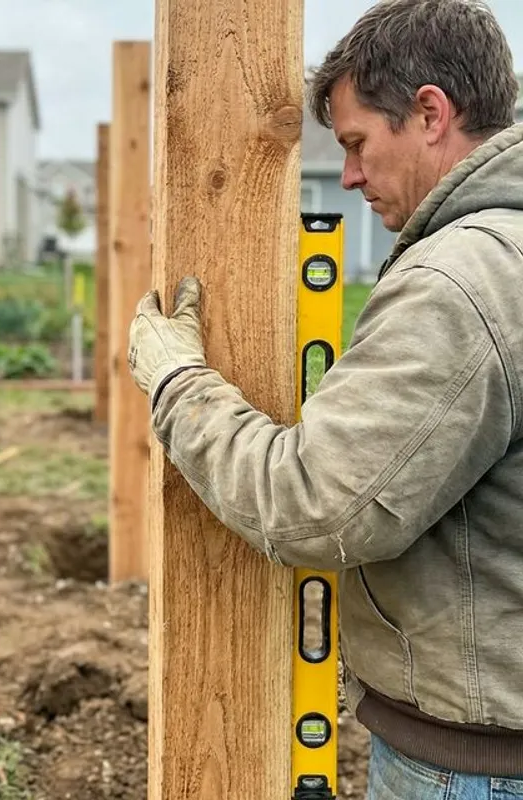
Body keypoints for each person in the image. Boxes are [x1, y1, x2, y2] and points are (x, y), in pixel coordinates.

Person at [126, 1, 523, 798]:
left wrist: (178, 385)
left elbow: (319, 505)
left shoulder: (461, 283)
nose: (348, 176)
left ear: (431, 113)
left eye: (355, 143)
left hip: (471, 769)